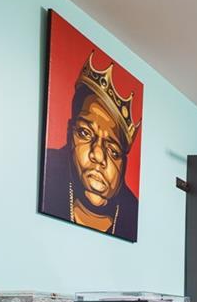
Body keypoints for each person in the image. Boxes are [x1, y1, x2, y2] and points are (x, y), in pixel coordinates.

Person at [42, 52, 140, 241]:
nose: (97, 155)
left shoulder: (131, 211)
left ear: (124, 163)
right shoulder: (48, 173)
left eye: (113, 151)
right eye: (85, 134)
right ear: (70, 134)